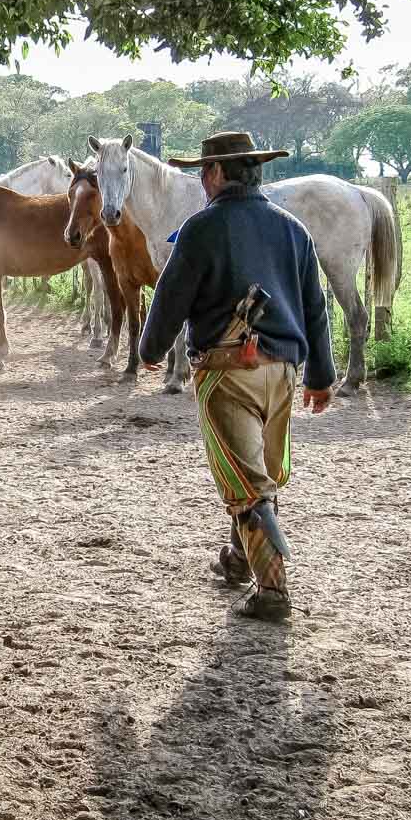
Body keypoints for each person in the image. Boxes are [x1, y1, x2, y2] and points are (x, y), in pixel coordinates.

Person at [137, 131, 335, 621]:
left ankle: (273, 592)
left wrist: (150, 348)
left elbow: (170, 296)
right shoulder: (293, 228)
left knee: (246, 484)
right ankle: (240, 560)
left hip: (228, 375)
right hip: (285, 374)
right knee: (259, 474)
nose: (202, 179)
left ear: (219, 173)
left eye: (205, 170)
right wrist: (321, 376)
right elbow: (315, 307)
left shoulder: (201, 229)